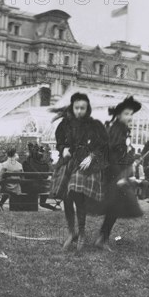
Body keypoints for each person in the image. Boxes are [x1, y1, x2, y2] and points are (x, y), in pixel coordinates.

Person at [50, 92, 108, 251]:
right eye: (77, 108)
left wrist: (91, 157)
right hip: (69, 161)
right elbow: (59, 143)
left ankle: (81, 232)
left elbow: (102, 146)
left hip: (86, 164)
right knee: (66, 196)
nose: (79, 111)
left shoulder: (94, 125)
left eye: (83, 108)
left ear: (87, 108)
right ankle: (72, 232)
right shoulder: (65, 124)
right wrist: (63, 149)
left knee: (76, 193)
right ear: (72, 107)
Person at [95, 96, 143, 250]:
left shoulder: (122, 130)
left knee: (115, 207)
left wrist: (132, 159)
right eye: (127, 114)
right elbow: (110, 154)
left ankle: (102, 237)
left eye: (131, 114)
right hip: (112, 174)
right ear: (118, 115)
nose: (130, 117)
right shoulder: (116, 130)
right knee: (114, 206)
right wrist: (118, 177)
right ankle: (102, 238)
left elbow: (121, 152)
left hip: (119, 173)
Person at [22, 143, 58, 211]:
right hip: (44, 188)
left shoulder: (26, 163)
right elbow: (46, 176)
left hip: (30, 188)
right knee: (42, 202)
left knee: (27, 184)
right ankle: (54, 209)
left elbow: (26, 176)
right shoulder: (45, 165)